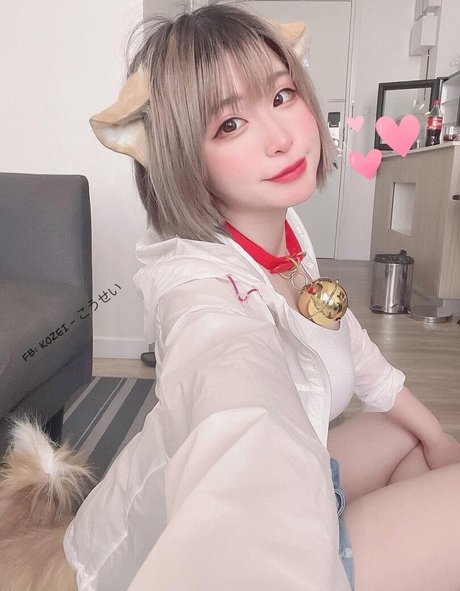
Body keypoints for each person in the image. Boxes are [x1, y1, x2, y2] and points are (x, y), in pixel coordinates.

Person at [64, 4, 460, 590]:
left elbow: (350, 342)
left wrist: (439, 438)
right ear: (181, 157)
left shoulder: (283, 232)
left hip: (310, 479)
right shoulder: (197, 290)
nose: (282, 138)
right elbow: (231, 391)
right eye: (229, 124)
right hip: (245, 543)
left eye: (281, 95)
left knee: (412, 436)